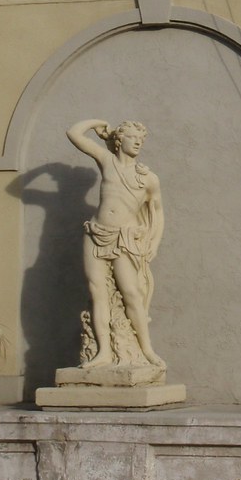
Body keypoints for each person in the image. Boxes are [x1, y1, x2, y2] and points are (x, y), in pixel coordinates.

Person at [67, 119, 165, 368]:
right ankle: (104, 353)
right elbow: (74, 133)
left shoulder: (149, 179)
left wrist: (154, 242)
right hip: (96, 233)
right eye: (133, 138)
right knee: (97, 292)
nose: (139, 143)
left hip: (124, 238)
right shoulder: (107, 161)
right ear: (119, 141)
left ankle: (147, 350)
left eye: (141, 140)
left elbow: (158, 211)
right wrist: (99, 124)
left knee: (132, 293)